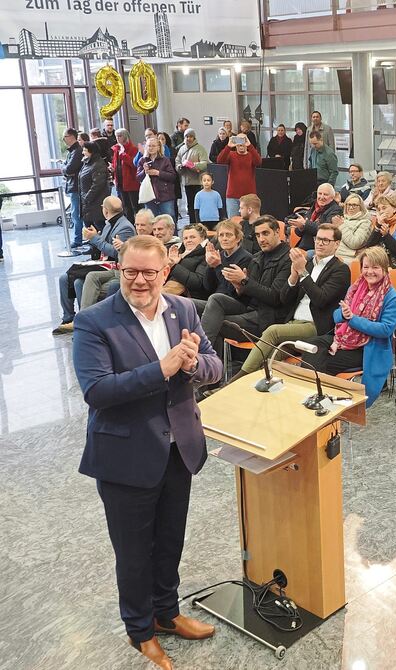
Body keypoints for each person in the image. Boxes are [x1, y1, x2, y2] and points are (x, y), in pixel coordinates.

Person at [72, 234, 221, 670]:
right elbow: (97, 391)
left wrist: (193, 365)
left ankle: (167, 613)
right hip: (126, 457)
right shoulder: (94, 321)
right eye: (131, 271)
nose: (140, 281)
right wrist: (164, 368)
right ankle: (140, 632)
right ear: (117, 269)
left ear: (165, 272)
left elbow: (210, 365)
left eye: (149, 273)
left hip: (179, 449)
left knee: (170, 540)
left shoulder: (185, 309)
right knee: (134, 550)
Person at [227, 224, 350, 383]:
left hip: (316, 326)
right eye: (318, 239)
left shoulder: (340, 269)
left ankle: (234, 382)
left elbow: (321, 299)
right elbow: (285, 298)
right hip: (294, 323)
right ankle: (247, 391)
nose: (320, 243)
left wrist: (302, 273)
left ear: (337, 244)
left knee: (272, 331)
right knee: (270, 361)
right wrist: (293, 277)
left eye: (326, 240)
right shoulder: (308, 263)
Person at [302, 246, 396, 407]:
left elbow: (385, 330)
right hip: (344, 338)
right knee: (311, 345)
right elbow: (337, 315)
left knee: (323, 362)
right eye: (366, 267)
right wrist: (345, 316)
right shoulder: (356, 288)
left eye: (375, 267)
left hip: (368, 347)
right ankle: (317, 395)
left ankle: (318, 399)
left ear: (384, 269)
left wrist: (352, 319)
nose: (370, 271)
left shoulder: (391, 297)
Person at [199, 216, 291, 359]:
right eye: (258, 235)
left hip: (267, 317)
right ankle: (208, 369)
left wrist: (244, 281)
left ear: (277, 232)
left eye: (265, 233)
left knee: (215, 318)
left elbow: (275, 298)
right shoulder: (258, 257)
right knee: (187, 304)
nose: (261, 239)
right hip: (248, 308)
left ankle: (203, 361)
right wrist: (239, 287)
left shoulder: (287, 258)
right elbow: (210, 287)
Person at [53, 196, 135, 334]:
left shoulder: (125, 227)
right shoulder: (110, 223)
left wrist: (94, 238)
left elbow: (117, 253)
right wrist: (94, 236)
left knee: (80, 282)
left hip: (114, 267)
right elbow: (102, 246)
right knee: (64, 278)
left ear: (106, 210)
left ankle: (83, 322)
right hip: (102, 263)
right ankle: (68, 318)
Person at [80, 209, 158, 310]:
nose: (139, 228)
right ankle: (82, 318)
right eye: (137, 225)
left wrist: (124, 248)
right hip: (118, 269)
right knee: (89, 277)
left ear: (151, 225)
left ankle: (97, 320)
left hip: (130, 275)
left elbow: (142, 260)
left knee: (103, 287)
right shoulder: (134, 238)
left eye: (142, 225)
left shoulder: (153, 241)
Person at [216, 133, 261, 218]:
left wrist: (250, 145)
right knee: (233, 224)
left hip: (250, 197)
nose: (241, 144)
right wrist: (228, 146)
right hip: (233, 196)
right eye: (238, 141)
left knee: (252, 223)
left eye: (243, 140)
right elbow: (219, 160)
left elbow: (258, 162)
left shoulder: (251, 154)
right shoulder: (231, 154)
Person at [164, 223, 212, 300]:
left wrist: (175, 266)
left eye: (192, 237)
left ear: (202, 238)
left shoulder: (207, 254)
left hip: (193, 297)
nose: (188, 240)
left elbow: (198, 282)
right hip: (168, 291)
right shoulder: (177, 252)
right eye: (185, 238)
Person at [365, 193, 396, 269]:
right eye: (379, 209)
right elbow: (369, 247)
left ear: (394, 209)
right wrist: (377, 226)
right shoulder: (380, 224)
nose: (381, 212)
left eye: (384, 208)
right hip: (379, 262)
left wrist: (386, 235)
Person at [289, 183, 343, 251]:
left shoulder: (336, 210)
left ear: (332, 198)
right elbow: (298, 233)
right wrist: (301, 227)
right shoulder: (314, 207)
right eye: (320, 194)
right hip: (303, 246)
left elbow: (325, 230)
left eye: (325, 194)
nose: (321, 197)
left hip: (318, 249)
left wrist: (305, 224)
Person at [136, 137, 177, 219]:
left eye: (153, 146)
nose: (150, 148)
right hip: (149, 195)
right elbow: (138, 178)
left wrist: (158, 173)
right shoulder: (142, 160)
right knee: (151, 220)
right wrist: (144, 171)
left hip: (165, 195)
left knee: (169, 219)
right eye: (148, 146)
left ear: (158, 147)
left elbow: (172, 176)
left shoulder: (165, 160)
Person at [176, 129, 209, 224]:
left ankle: (201, 224)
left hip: (198, 182)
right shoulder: (181, 149)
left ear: (194, 137)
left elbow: (205, 163)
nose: (188, 138)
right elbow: (177, 161)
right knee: (190, 205)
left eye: (190, 136)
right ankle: (192, 224)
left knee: (199, 205)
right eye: (186, 136)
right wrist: (180, 167)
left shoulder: (200, 148)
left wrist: (193, 165)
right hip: (187, 182)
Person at [79, 140, 111, 231]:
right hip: (88, 202)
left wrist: (87, 198)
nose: (83, 152)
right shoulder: (87, 163)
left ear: (91, 151)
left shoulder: (98, 164)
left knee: (98, 225)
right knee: (90, 226)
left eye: (85, 150)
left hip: (95, 201)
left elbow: (97, 185)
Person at [333, 193, 373, 263]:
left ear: (361, 207)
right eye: (349, 204)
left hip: (348, 258)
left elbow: (355, 243)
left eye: (354, 205)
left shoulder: (365, 222)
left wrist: (341, 226)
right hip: (334, 254)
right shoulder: (342, 219)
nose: (351, 207)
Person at [62, 128, 85, 249]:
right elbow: (67, 169)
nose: (63, 139)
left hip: (76, 187)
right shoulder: (72, 151)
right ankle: (79, 238)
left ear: (71, 137)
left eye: (65, 137)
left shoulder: (77, 151)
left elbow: (69, 169)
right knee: (75, 214)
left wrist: (64, 168)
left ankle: (78, 239)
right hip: (73, 186)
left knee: (76, 214)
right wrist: (65, 169)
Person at [111, 129, 140, 223]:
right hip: (120, 183)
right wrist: (113, 169)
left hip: (131, 183)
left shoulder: (133, 149)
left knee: (135, 207)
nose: (117, 138)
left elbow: (133, 164)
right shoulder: (116, 149)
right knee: (126, 208)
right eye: (116, 136)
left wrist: (123, 154)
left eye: (120, 136)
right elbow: (117, 164)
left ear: (125, 136)